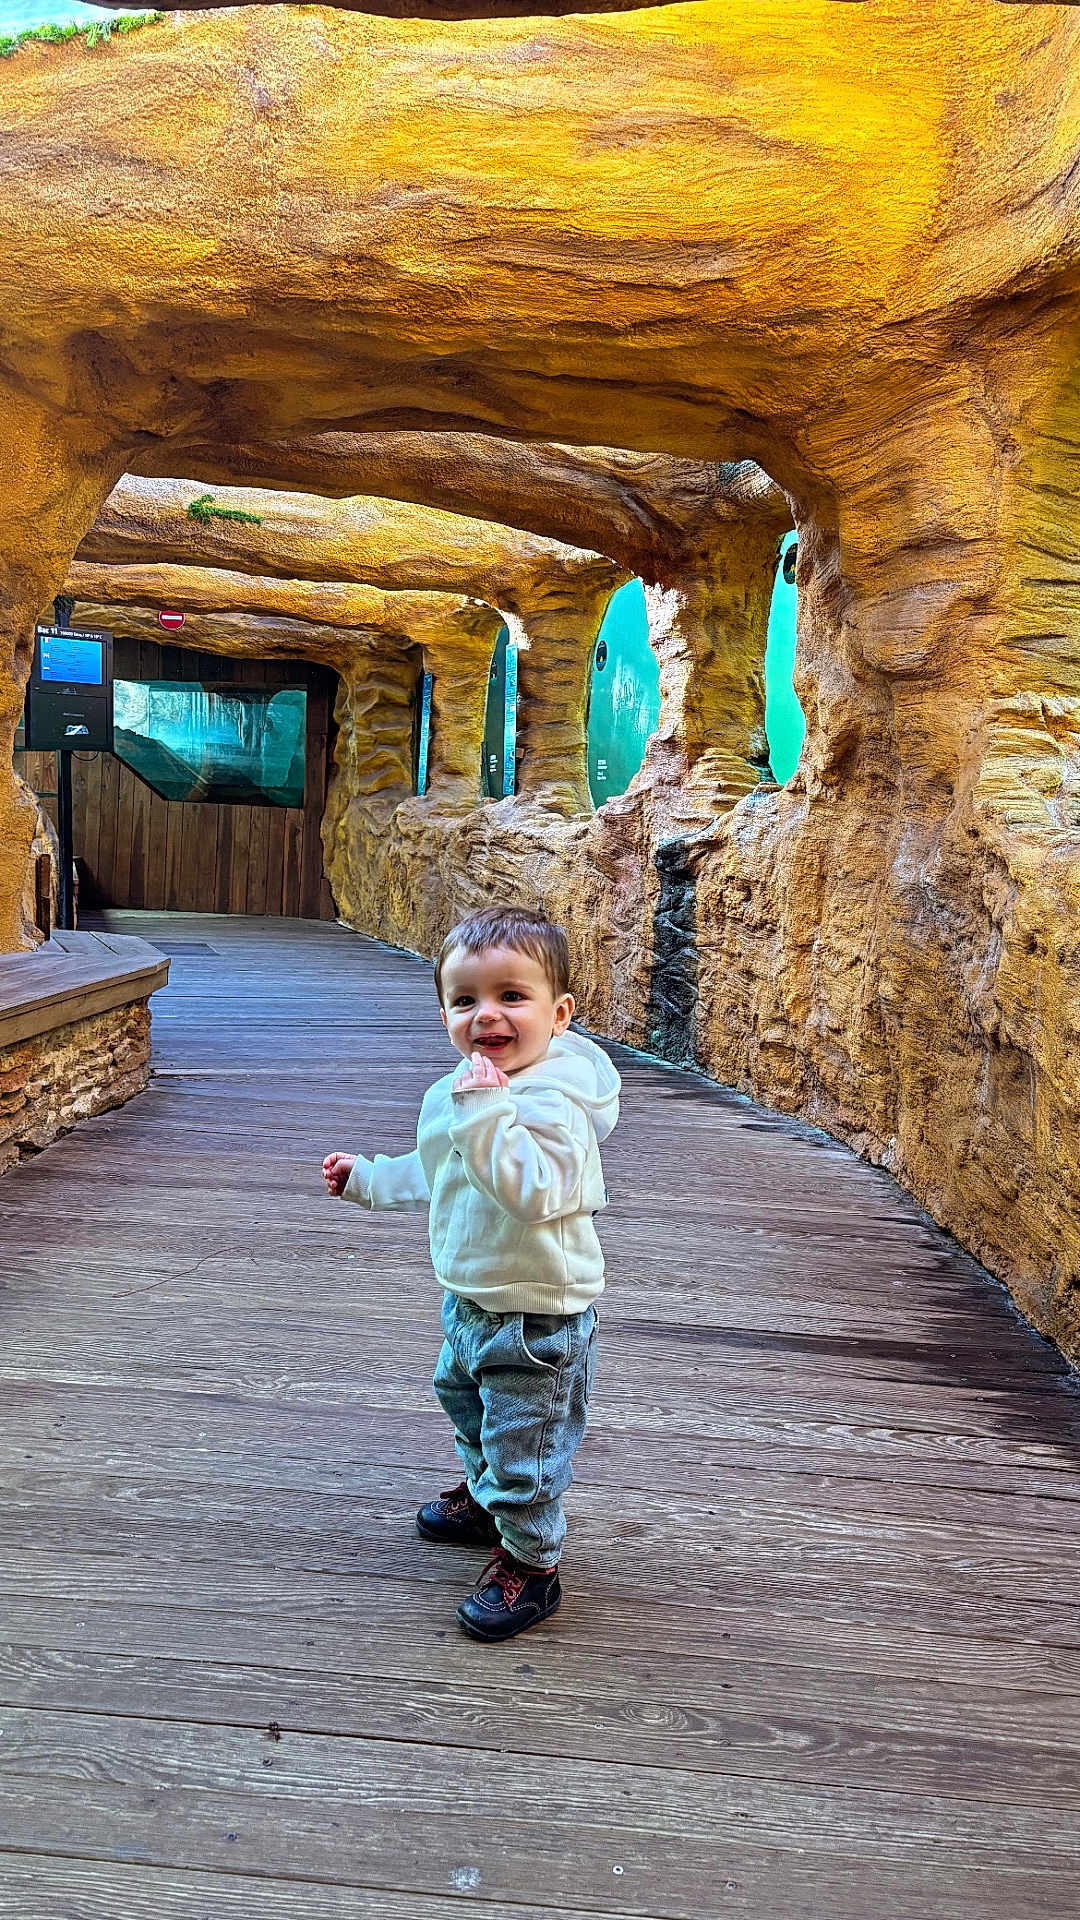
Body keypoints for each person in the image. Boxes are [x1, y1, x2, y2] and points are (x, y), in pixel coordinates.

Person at [322, 904, 620, 1642]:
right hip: (471, 1298)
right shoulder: (465, 1089)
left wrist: (486, 1111)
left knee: (528, 1442)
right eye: (465, 1000)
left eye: (511, 996)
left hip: (538, 1312)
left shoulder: (557, 1103)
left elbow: (532, 1190)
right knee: (464, 1399)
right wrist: (368, 1177)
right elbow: (441, 1171)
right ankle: (488, 1499)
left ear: (560, 1013)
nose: (487, 1015)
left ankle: (531, 1562)